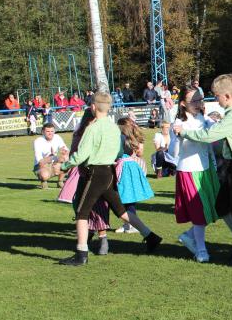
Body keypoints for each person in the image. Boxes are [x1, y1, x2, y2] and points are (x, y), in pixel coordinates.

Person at [57, 92, 162, 266]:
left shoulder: (93, 128)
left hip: (94, 174)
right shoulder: (114, 128)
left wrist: (63, 166)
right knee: (120, 210)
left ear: (92, 107)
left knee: (82, 213)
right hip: (109, 172)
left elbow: (81, 154)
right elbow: (119, 152)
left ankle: (81, 254)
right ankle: (151, 236)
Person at [174, 74, 232, 267]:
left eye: (216, 95)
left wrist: (184, 132)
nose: (214, 99)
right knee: (222, 207)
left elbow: (209, 135)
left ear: (227, 96)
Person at [170, 89, 220, 263]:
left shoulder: (203, 118)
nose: (199, 104)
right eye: (194, 101)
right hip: (189, 171)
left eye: (200, 100)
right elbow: (175, 150)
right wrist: (178, 135)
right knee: (199, 213)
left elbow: (214, 131)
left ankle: (188, 236)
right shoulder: (178, 122)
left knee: (209, 210)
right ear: (183, 103)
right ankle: (201, 250)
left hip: (206, 170)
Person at [57, 108, 111, 253]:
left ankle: (88, 243)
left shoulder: (81, 133)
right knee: (99, 206)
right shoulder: (101, 131)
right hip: (103, 172)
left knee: (82, 208)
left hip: (87, 174)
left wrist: (64, 166)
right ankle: (101, 241)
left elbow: (75, 154)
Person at [114, 118, 155, 241]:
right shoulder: (129, 137)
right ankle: (128, 224)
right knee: (126, 198)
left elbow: (120, 154)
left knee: (127, 198)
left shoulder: (123, 138)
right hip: (129, 167)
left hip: (126, 168)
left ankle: (132, 224)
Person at [33, 123, 68, 189]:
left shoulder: (57, 137)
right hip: (40, 166)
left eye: (52, 131)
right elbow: (40, 162)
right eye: (48, 131)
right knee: (45, 175)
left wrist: (64, 153)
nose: (50, 133)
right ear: (43, 132)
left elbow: (66, 150)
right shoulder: (38, 141)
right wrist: (54, 158)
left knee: (67, 159)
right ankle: (43, 181)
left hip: (53, 163)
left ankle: (60, 181)